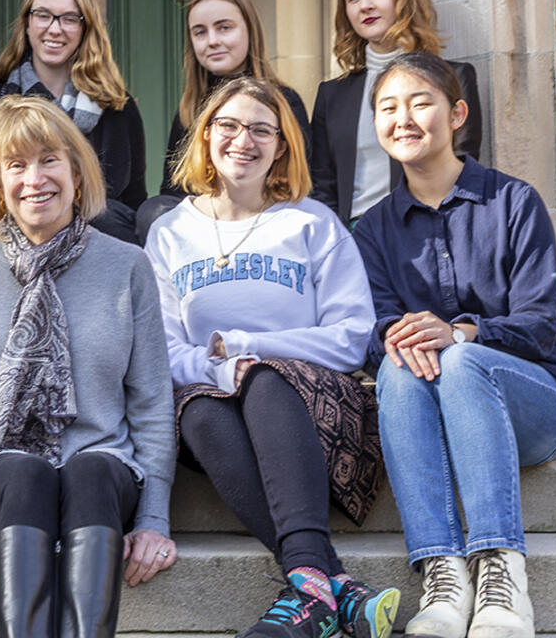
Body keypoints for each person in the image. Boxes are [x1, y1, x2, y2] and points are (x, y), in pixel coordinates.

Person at [0, 95, 176, 638]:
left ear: (77, 173)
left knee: (92, 468)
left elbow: (151, 404)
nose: (35, 178)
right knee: (28, 470)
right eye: (16, 164)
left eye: (49, 159)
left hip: (102, 477)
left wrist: (152, 519)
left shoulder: (127, 265)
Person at [145, 77, 398, 638]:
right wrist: (221, 368)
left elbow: (351, 336)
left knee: (263, 378)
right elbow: (161, 350)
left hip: (312, 402)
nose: (245, 140)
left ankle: (308, 590)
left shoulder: (311, 223)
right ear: (206, 134)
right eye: (229, 126)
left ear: (282, 146)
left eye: (263, 130)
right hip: (210, 398)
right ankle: (328, 587)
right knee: (201, 411)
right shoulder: (168, 233)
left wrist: (249, 350)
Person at [353, 52, 556, 638]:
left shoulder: (514, 202)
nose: (402, 118)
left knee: (458, 361)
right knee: (400, 367)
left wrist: (461, 332)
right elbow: (373, 332)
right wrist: (400, 338)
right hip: (429, 407)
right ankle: (442, 574)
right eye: (387, 108)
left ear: (456, 113)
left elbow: (538, 324)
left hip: (536, 406)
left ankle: (501, 574)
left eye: (419, 102)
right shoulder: (371, 231)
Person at [310, 0, 482, 225]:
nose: (365, 4)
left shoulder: (456, 78)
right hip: (354, 241)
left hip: (428, 229)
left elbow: (462, 172)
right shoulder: (332, 95)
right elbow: (322, 186)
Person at [0, 0, 146, 244]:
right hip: (18, 242)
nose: (54, 29)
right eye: (43, 15)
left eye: (69, 19)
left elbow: (134, 200)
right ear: (27, 24)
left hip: (100, 246)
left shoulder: (118, 106)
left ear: (85, 30)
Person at [136, 0, 311, 244]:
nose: (212, 40)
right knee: (155, 211)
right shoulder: (189, 110)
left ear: (250, 31)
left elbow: (300, 179)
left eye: (224, 28)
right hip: (201, 232)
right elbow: (174, 189)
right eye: (200, 32)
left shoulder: (283, 102)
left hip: (266, 223)